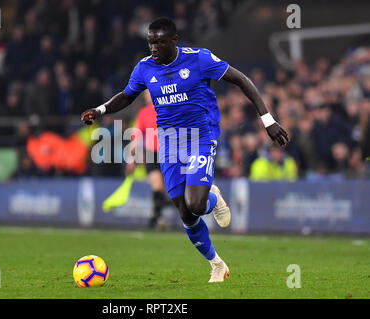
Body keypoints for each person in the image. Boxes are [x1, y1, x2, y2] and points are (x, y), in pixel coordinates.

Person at [81, 17, 289, 283]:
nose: (153, 48)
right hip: (168, 142)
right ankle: (217, 264)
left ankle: (212, 198)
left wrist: (267, 121)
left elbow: (242, 80)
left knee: (196, 204)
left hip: (200, 136)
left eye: (159, 42)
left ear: (174, 41)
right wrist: (99, 110)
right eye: (150, 42)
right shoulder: (144, 68)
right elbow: (126, 95)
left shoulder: (199, 59)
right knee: (186, 214)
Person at [126, 90, 171, 230]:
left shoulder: (169, 109)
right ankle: (156, 219)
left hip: (170, 154)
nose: (147, 96)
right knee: (157, 186)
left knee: (166, 189)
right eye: (146, 94)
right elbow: (136, 136)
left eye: (149, 93)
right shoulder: (144, 113)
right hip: (153, 154)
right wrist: (131, 158)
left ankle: (157, 216)